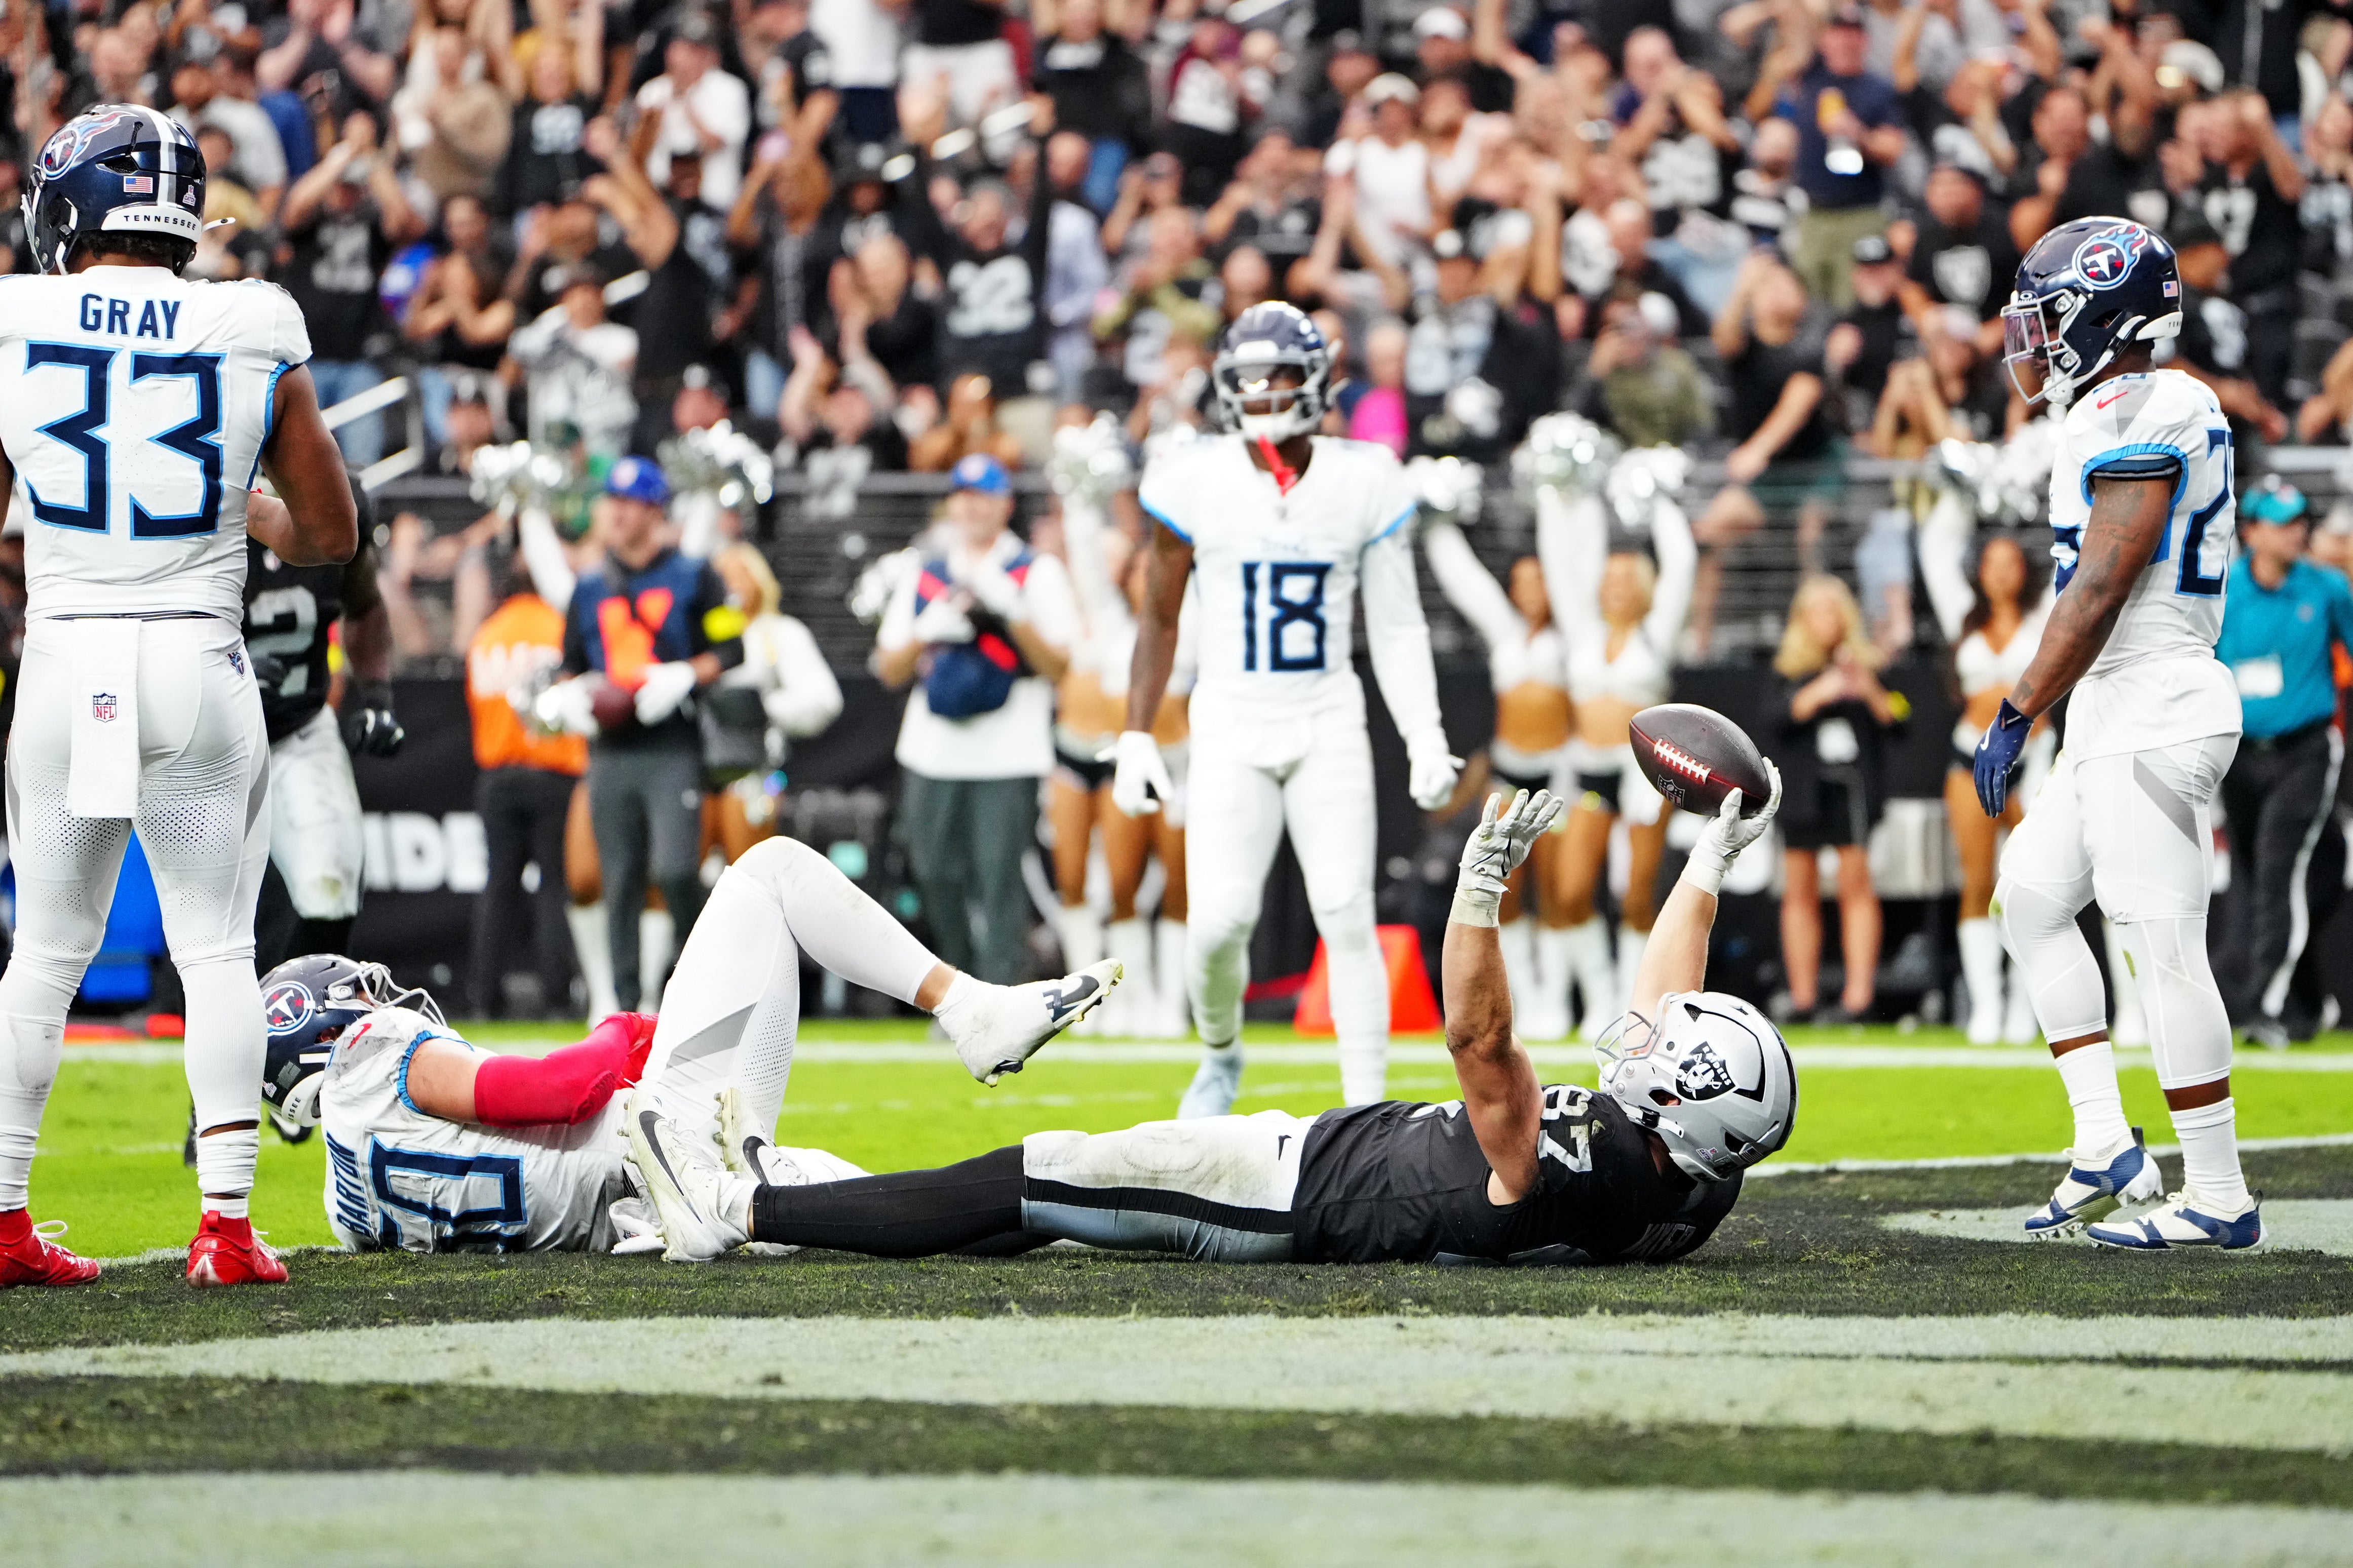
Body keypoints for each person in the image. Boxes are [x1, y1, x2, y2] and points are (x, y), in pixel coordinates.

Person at [624, 778, 1796, 1270]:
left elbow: (1482, 1050)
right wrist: (1704, 860)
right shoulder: (1689, 1177)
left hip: (1288, 1196)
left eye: (1666, 1058)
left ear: (1685, 1114)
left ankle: (734, 1206)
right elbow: (1660, 1002)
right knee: (1055, 1209)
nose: (1643, 1037)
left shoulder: (1586, 1171)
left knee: (1049, 1172)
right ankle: (799, 1208)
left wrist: (1477, 893)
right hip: (1329, 1164)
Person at [0, 107, 357, 1290]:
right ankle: (225, 1230)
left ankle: (3, 1221)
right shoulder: (252, 315)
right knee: (217, 950)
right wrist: (237, 506)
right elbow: (329, 531)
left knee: (43, 955)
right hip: (197, 660)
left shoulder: (15, 311)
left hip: (64, 657)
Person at [260, 842, 1119, 1252]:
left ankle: (1090, 1223)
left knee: (908, 1211)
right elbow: (555, 1090)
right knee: (772, 869)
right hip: (660, 1152)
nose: (380, 1000)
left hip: (638, 1219)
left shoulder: (349, 1215)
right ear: (322, 1026)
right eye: (359, 995)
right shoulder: (369, 1054)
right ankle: (969, 1010)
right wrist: (631, 1030)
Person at [1977, 216, 2257, 1250]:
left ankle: (2220, 1194)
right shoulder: (2106, 405)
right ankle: (2106, 1140)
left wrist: (2017, 709)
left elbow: (2102, 584)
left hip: (2155, 699)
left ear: (2103, 313)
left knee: (2160, 944)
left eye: (2049, 319)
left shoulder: (2153, 402)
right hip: (2115, 706)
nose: (2034, 340)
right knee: (2034, 902)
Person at [1112, 304, 1459, 1117]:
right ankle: (1222, 1053)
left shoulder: (1364, 477)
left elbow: (1400, 623)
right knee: (1219, 923)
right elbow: (1160, 616)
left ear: (1320, 380)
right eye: (1250, 378)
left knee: (1346, 907)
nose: (1266, 392)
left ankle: (1367, 1110)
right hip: (1230, 719)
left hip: (1326, 715)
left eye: (1280, 375)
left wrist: (1425, 734)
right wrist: (1134, 734)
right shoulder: (1194, 476)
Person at [535, 457, 747, 1013]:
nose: (617, 512)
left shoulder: (696, 574)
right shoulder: (588, 586)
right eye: (613, 501)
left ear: (654, 510)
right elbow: (569, 664)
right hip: (609, 750)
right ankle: (627, 1008)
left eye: (629, 502)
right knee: (619, 880)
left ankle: (711, 980)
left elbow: (732, 649)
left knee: (676, 871)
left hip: (671, 743)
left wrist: (686, 674)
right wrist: (568, 698)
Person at [874, 453, 1079, 986]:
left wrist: (1014, 614)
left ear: (1005, 504)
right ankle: (959, 987)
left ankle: (1003, 988)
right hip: (933, 748)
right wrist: (929, 627)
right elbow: (889, 666)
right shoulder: (927, 571)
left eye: (984, 495)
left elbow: (1058, 665)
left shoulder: (1035, 570)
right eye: (963, 495)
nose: (972, 505)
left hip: (1007, 750)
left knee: (999, 877)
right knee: (933, 871)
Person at [1538, 446, 1698, 1038]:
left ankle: (1637, 1002)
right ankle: (1601, 990)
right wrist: (1558, 496)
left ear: (1644, 588)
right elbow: (1559, 562)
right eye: (1608, 579)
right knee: (1572, 891)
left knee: (1635, 896)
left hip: (1642, 776)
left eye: (1628, 579)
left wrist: (1657, 500)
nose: (1616, 587)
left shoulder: (1657, 635)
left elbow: (1681, 563)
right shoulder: (1582, 632)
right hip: (1586, 771)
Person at [1418, 481, 1569, 1039]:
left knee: (1560, 893)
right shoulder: (1506, 636)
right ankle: (1524, 1000)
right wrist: (1438, 526)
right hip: (1509, 778)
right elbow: (1466, 585)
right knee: (1505, 895)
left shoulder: (1572, 638)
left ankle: (1560, 995)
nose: (1530, 592)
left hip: (1561, 778)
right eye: (1520, 584)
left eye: (1540, 582)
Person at [243, 474, 404, 978]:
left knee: (329, 892)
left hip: (298, 725)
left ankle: (296, 1028)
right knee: (208, 917)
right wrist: (225, 664)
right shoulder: (206, 488)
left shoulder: (338, 496)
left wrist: (377, 695)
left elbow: (365, 605)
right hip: (205, 736)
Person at [1919, 453, 2054, 1045]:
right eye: (1990, 564)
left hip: (2034, 758)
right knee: (1977, 883)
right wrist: (1961, 490)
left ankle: (2029, 1005)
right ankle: (1986, 1007)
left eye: (2010, 563)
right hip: (1969, 758)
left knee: (2032, 883)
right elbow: (1934, 550)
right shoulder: (1962, 618)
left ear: (2024, 570)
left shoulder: (2046, 614)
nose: (2001, 573)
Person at [2213, 479, 2353, 1048]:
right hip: (2240, 756)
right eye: (2281, 521)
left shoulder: (2326, 588)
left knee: (2277, 869)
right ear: (2250, 531)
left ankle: (2260, 1003)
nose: (2297, 529)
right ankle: (2305, 1002)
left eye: (2300, 519)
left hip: (2305, 749)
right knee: (2258, 874)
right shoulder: (2221, 595)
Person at [466, 555, 590, 1020]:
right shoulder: (559, 627)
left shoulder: (487, 635)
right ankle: (558, 997)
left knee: (498, 886)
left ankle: (484, 998)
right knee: (554, 886)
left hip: (498, 775)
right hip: (554, 771)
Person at [1775, 576, 1901, 1023]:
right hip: (1802, 791)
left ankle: (1857, 997)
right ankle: (1803, 997)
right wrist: (1819, 691)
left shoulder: (1867, 667)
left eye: (1834, 610)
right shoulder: (1787, 670)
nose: (1827, 621)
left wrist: (1864, 686)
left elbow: (1899, 719)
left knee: (1855, 887)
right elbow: (1773, 719)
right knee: (1799, 890)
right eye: (1817, 611)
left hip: (1850, 789)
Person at [706, 541, 842, 861]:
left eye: (738, 577)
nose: (730, 588)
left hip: (754, 774)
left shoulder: (780, 634)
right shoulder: (696, 639)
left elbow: (824, 700)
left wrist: (763, 708)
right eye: (720, 579)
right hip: (693, 772)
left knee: (748, 870)